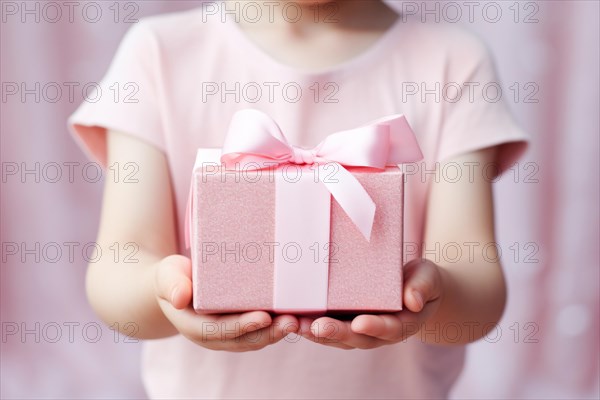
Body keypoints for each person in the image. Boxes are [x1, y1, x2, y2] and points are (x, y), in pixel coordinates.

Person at [69, 0, 528, 398]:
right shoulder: (157, 53)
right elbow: (119, 268)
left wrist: (432, 295)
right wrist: (164, 290)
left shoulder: (453, 61)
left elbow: (477, 296)